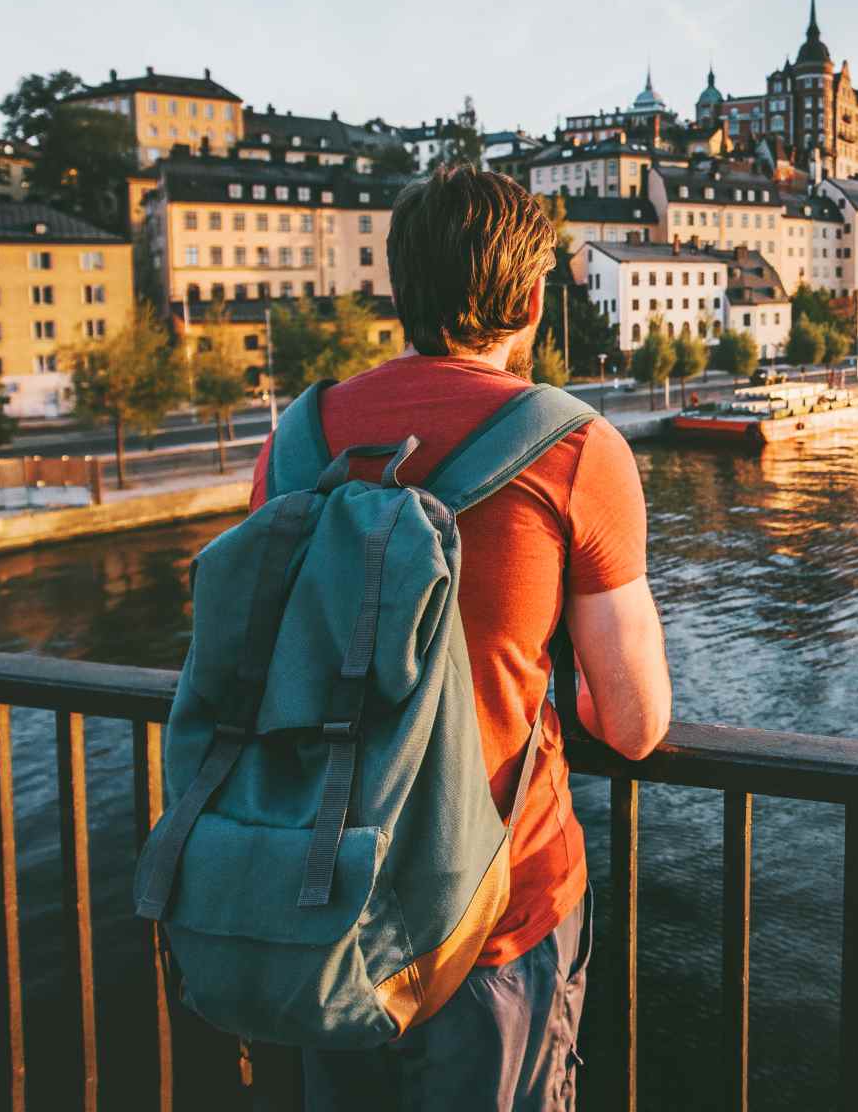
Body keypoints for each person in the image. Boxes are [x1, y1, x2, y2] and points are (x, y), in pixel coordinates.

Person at [248, 165, 672, 1112]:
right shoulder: (575, 447)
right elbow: (637, 723)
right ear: (531, 297)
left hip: (325, 902)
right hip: (497, 918)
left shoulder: (300, 439)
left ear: (400, 288)